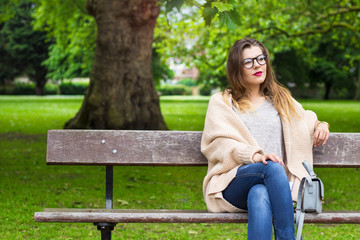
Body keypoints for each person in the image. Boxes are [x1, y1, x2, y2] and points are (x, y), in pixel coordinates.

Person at [201, 38, 330, 240]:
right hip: (233, 182)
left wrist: (321, 125)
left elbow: (307, 118)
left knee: (259, 193)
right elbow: (217, 144)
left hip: (273, 187)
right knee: (272, 166)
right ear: (237, 67)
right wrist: (252, 155)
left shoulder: (281, 99)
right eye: (248, 61)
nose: (258, 65)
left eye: (261, 58)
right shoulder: (222, 102)